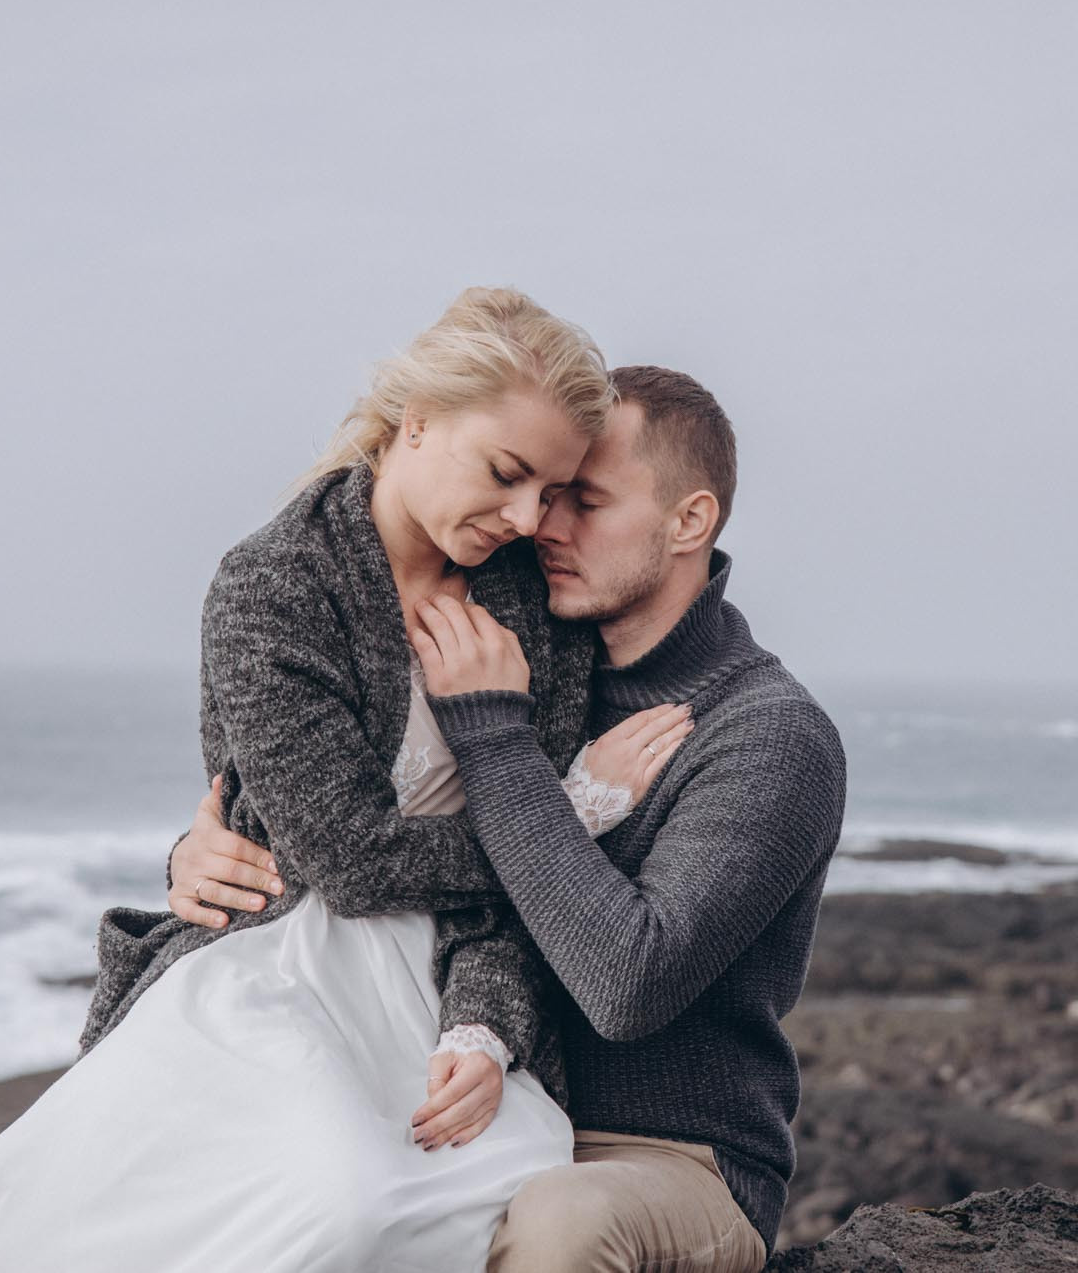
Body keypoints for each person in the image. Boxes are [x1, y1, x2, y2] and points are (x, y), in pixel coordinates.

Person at [0, 288, 687, 1272]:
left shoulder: (530, 603)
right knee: (338, 1203)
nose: (523, 518)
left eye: (548, 491)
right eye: (505, 475)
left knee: (514, 1168)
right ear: (416, 421)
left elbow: (505, 901)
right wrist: (568, 820)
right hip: (278, 967)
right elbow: (351, 858)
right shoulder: (274, 583)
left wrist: (485, 1027)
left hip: (440, 981)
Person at [173, 366, 849, 1272]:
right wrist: (216, 853)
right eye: (542, 493)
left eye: (585, 502)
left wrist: (496, 740)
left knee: (555, 1223)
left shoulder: (768, 735)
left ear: (690, 521)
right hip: (459, 1094)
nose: (542, 525)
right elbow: (366, 829)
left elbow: (627, 981)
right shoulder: (522, 648)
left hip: (663, 1156)